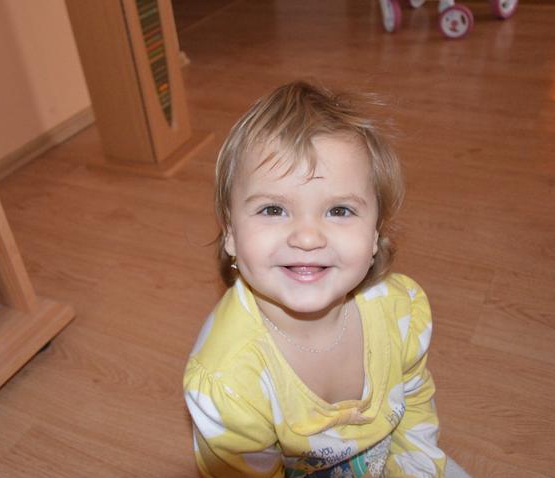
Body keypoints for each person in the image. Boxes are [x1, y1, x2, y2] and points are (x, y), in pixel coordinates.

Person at [183, 80, 446, 477]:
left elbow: (415, 405)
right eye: (273, 210)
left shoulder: (400, 311)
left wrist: (416, 470)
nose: (307, 238)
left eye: (339, 211)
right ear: (231, 234)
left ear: (375, 233)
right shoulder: (228, 382)